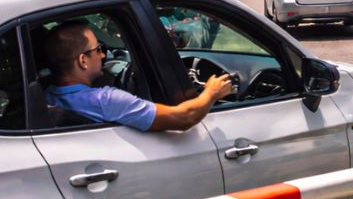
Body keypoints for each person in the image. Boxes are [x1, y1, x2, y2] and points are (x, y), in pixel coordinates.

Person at [43, 23, 232, 132]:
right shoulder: (107, 101)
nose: (103, 55)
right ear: (83, 60)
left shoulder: (47, 96)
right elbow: (184, 118)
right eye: (98, 49)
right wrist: (211, 93)